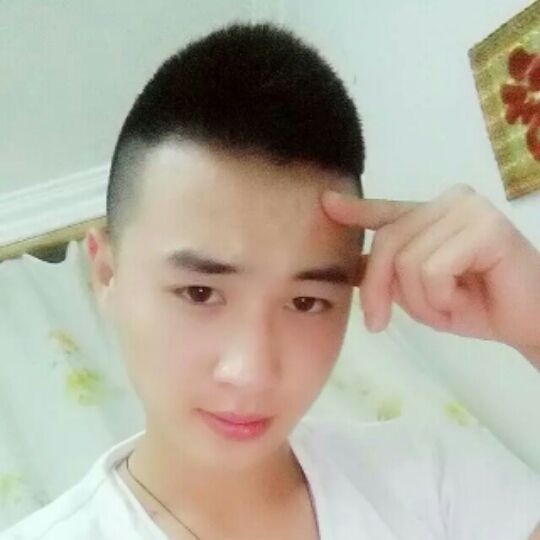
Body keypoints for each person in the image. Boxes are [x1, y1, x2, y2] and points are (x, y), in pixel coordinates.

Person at [2, 22, 540, 540]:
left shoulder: (436, 483)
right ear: (106, 274)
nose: (250, 373)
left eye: (306, 301)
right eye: (200, 293)